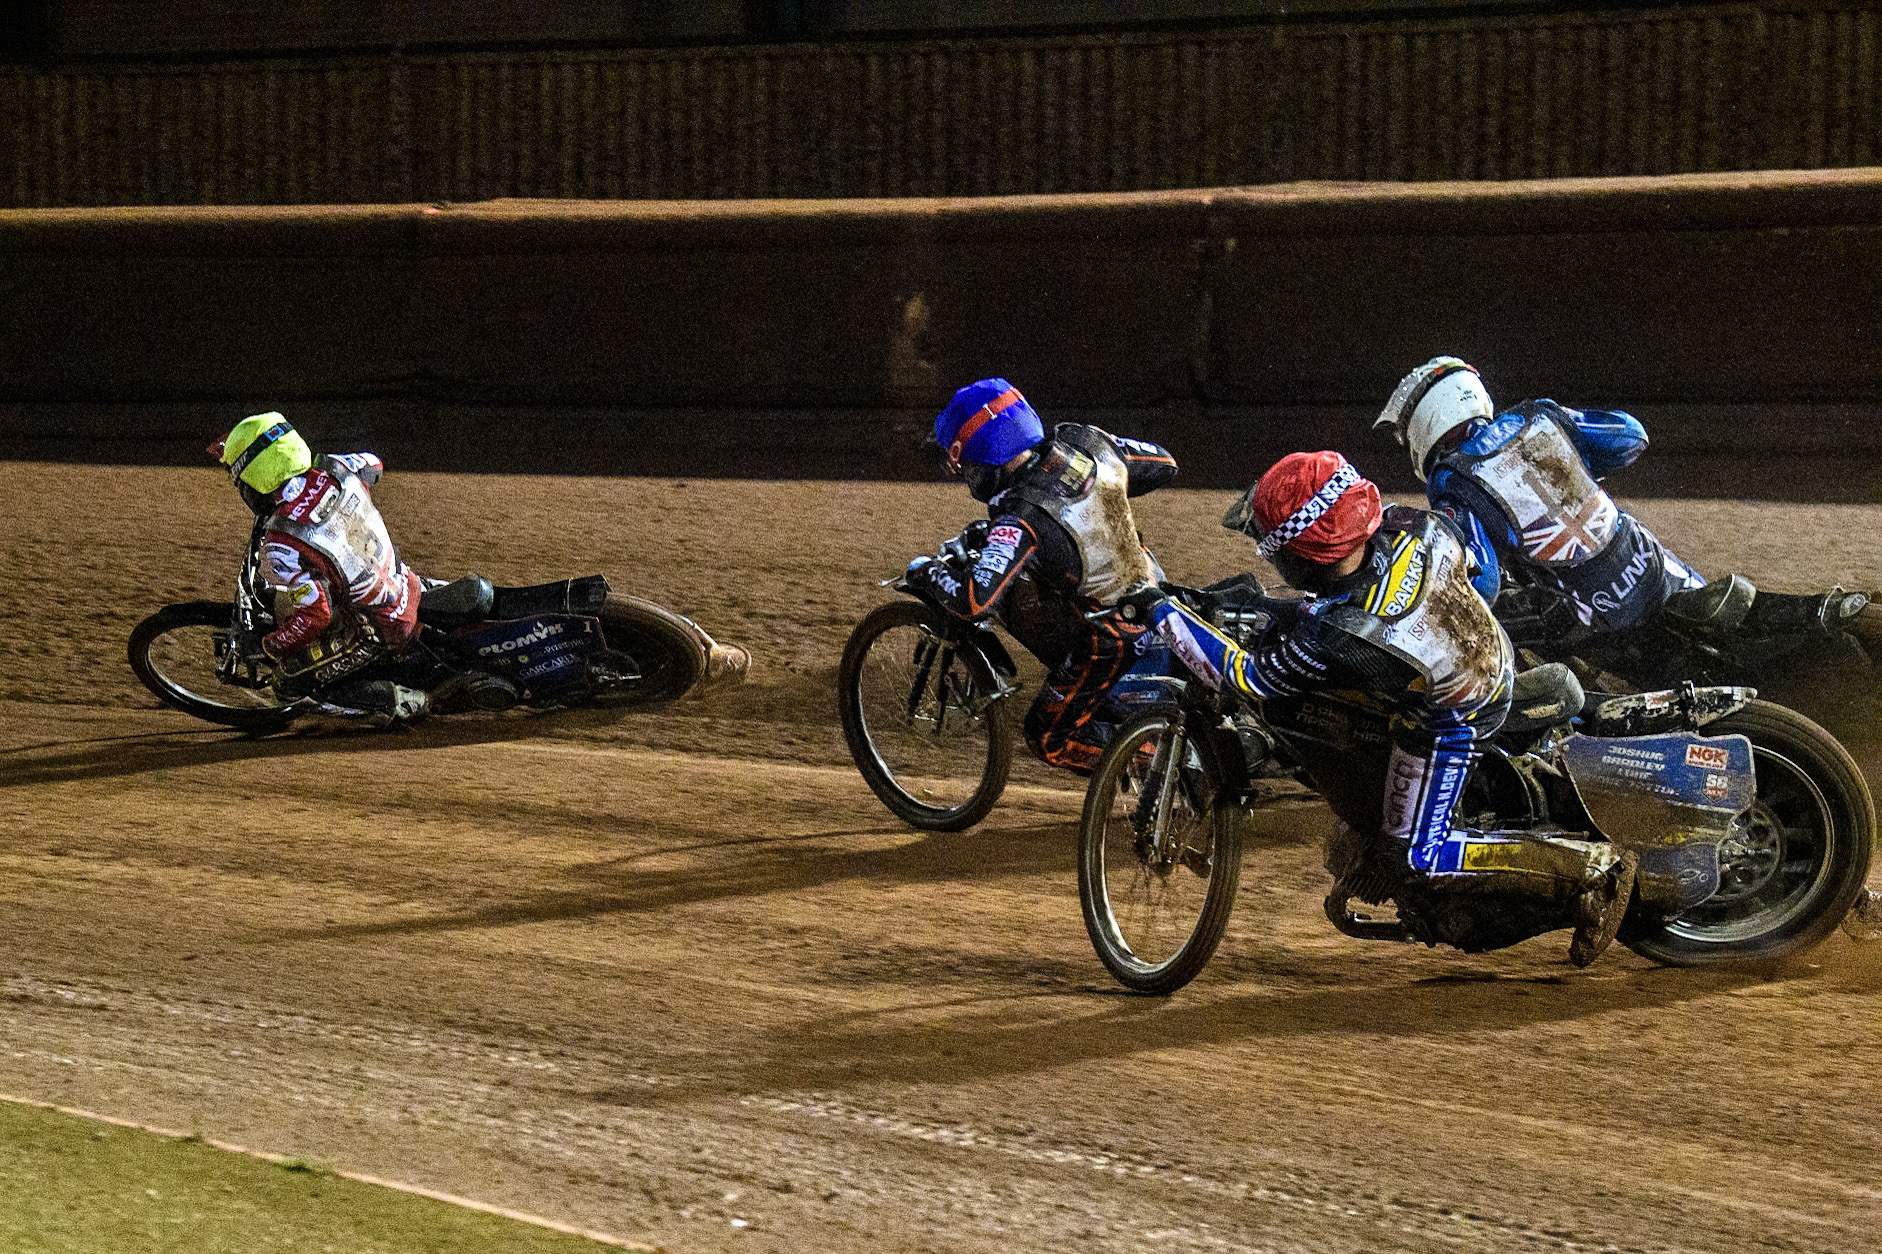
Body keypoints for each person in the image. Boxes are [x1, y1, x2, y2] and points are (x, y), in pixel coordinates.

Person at [1141, 451, 1638, 965]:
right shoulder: (1414, 523)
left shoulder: (1340, 637)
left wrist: (1160, 610)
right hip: (1481, 644)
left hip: (1454, 711)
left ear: (1301, 557)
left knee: (1415, 856)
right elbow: (1459, 575)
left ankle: (1587, 870)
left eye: (1275, 550)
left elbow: (1249, 677)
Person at [1373, 355, 1874, 642]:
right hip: (1646, 561)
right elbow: (1631, 436)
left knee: (1506, 653)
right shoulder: (1541, 416)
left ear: (1427, 418)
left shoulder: (1452, 480)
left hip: (1593, 614)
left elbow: (1479, 582)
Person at [906, 378, 1178, 772]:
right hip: (1155, 592)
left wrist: (925, 572)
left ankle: (1169, 764)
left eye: (965, 466)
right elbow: (1164, 465)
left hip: (1115, 638)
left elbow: (972, 601)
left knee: (1046, 738)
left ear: (979, 457)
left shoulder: (1021, 518)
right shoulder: (1088, 441)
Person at [209, 412, 428, 724]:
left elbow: (316, 615)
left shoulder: (282, 544)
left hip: (377, 626)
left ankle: (398, 703)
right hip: (403, 580)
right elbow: (373, 464)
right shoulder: (338, 467)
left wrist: (270, 647)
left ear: (256, 478)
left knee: (287, 682)